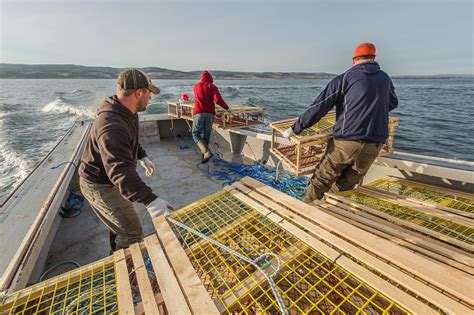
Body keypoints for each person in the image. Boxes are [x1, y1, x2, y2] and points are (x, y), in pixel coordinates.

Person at [282, 42, 398, 202]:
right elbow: (392, 103)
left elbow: (318, 107)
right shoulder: (385, 79)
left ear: (354, 60)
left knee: (321, 179)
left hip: (346, 142)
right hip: (374, 145)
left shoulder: (345, 78)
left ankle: (305, 211)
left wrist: (294, 129)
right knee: (345, 186)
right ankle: (332, 212)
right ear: (374, 58)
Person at [79, 68, 174, 252]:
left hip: (110, 178)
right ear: (139, 93)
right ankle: (127, 274)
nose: (151, 98)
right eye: (149, 93)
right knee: (131, 231)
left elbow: (131, 139)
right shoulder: (111, 125)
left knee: (120, 224)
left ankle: (116, 254)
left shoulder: (128, 111)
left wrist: (142, 156)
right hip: (98, 184)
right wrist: (151, 200)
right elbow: (120, 172)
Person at [192, 70, 229, 163]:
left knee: (195, 134)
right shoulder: (212, 86)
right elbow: (218, 100)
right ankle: (205, 155)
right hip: (210, 115)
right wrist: (227, 108)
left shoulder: (196, 87)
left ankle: (206, 153)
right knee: (206, 135)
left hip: (199, 113)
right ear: (210, 78)